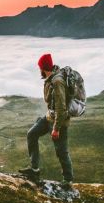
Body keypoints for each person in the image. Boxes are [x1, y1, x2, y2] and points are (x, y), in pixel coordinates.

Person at [18, 53, 74, 188]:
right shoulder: (51, 78)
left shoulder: (57, 81)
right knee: (32, 134)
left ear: (43, 68)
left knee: (61, 151)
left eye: (40, 68)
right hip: (49, 117)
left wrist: (56, 128)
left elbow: (61, 107)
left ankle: (68, 180)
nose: (39, 71)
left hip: (58, 121)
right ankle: (34, 170)